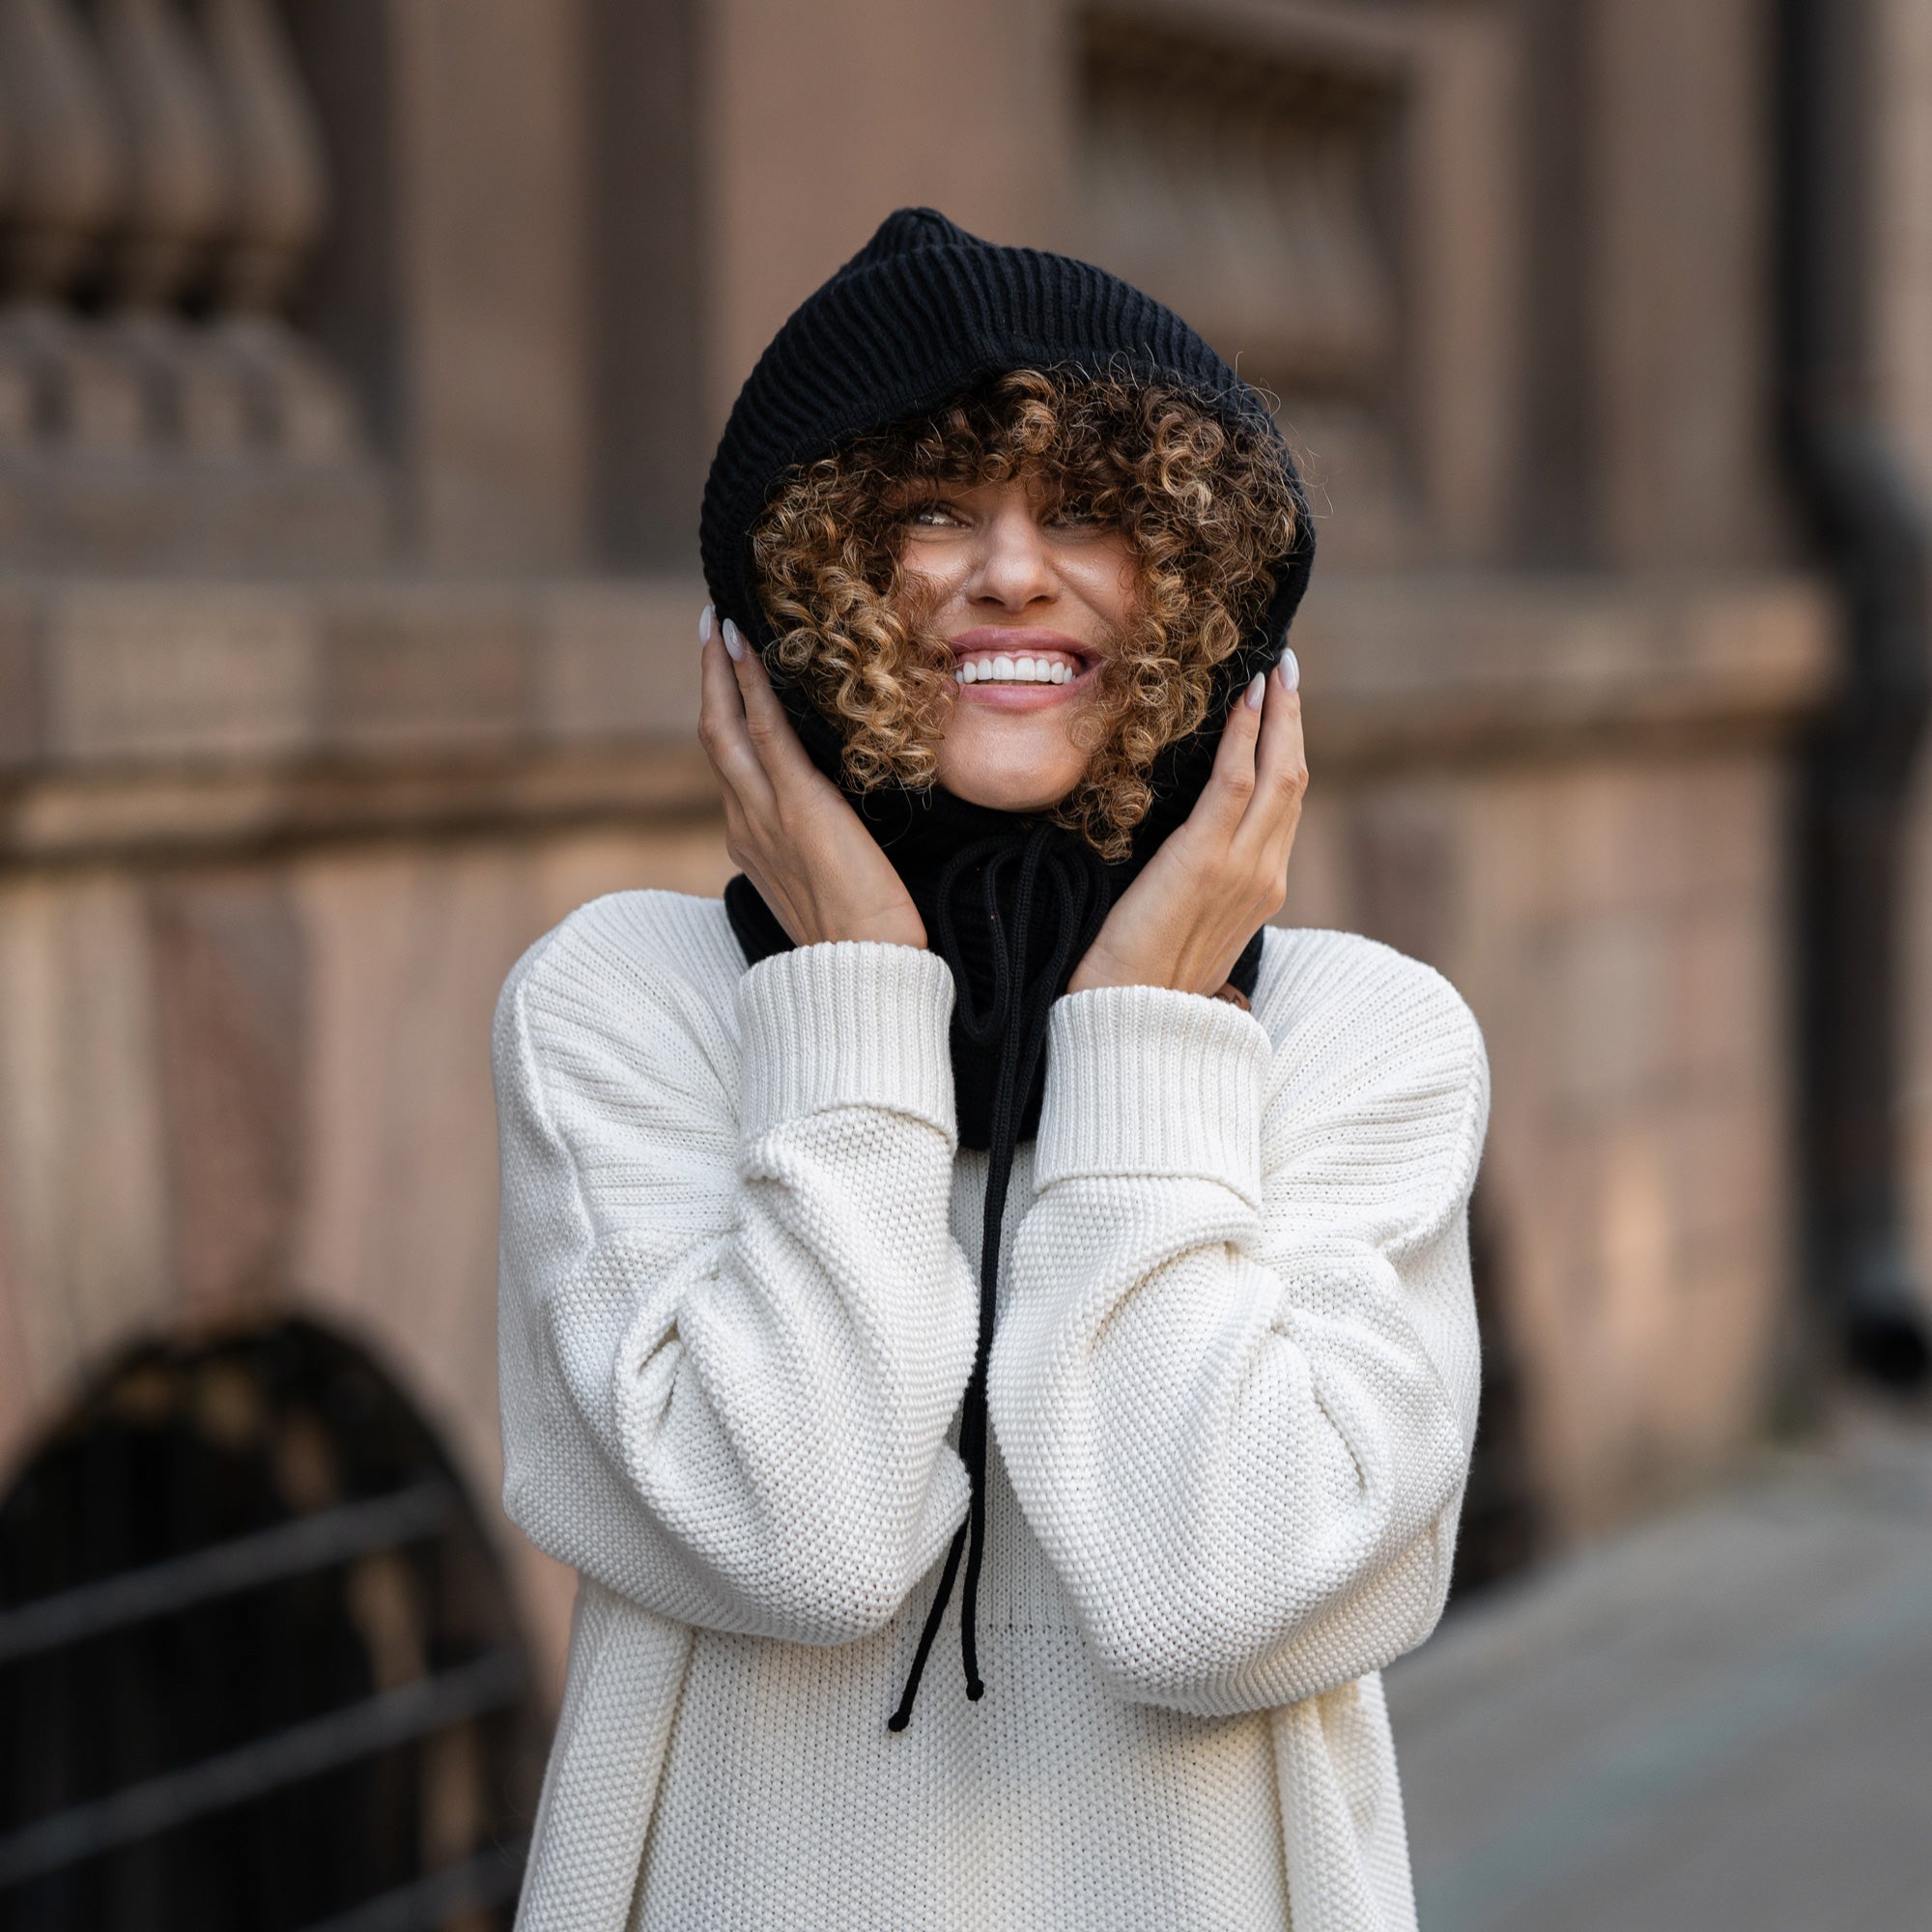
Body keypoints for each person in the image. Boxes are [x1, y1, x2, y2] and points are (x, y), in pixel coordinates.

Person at [494, 209, 1488, 1932]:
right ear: (803, 588)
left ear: (1193, 581)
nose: (1012, 572)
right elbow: (798, 1541)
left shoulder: (1362, 1045)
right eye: (930, 511)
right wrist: (858, 999)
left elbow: (1220, 1599)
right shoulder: (626, 1009)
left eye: (1088, 512)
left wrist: (1149, 1042)